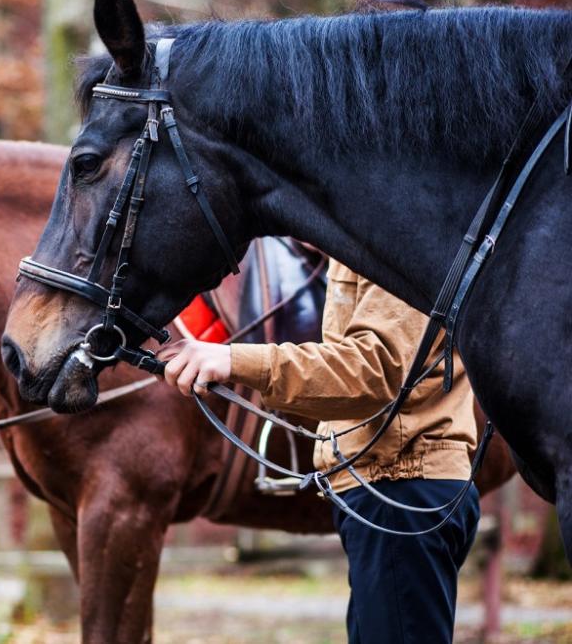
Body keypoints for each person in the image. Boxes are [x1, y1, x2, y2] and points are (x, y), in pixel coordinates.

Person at [158, 259, 480, 644]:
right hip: (384, 490)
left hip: (399, 489)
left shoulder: (394, 225)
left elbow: (374, 370)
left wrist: (233, 359)